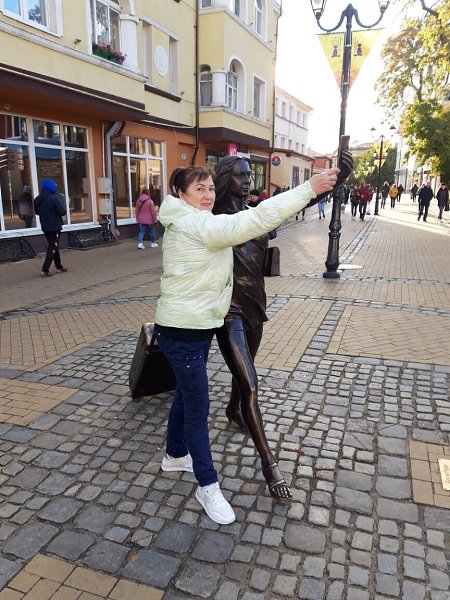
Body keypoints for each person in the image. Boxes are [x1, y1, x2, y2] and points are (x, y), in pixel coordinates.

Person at [154, 161, 347, 524]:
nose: (208, 195)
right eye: (199, 189)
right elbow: (257, 219)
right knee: (197, 407)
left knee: (184, 395)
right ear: (181, 194)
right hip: (183, 332)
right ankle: (207, 486)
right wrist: (310, 187)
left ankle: (175, 456)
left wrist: (326, 185)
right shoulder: (202, 225)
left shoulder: (192, 218)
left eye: (211, 188)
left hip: (197, 326)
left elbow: (264, 218)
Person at [34, 178, 67, 277]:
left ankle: (59, 266)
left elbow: (37, 212)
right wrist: (63, 204)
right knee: (52, 247)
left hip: (45, 226)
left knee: (53, 245)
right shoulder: (54, 198)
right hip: (54, 227)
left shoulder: (37, 199)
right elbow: (62, 212)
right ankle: (45, 269)